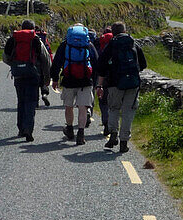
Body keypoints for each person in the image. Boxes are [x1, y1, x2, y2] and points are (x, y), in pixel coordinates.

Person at [95, 20, 147, 154]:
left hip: (114, 84)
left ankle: (113, 134)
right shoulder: (133, 43)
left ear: (113, 32)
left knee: (113, 109)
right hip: (133, 84)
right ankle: (124, 142)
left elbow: (101, 66)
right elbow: (143, 64)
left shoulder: (111, 45)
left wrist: (99, 85)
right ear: (125, 30)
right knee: (128, 112)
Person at [1, 18, 51, 142]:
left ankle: (21, 129)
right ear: (33, 29)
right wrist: (46, 79)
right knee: (31, 102)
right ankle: (29, 129)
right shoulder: (36, 40)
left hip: (18, 76)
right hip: (33, 75)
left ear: (22, 27)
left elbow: (5, 58)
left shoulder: (13, 39)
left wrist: (15, 65)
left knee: (21, 101)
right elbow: (46, 60)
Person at [50, 22, 99, 145]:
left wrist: (55, 79)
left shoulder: (65, 45)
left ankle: (70, 129)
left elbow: (56, 63)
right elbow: (96, 63)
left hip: (68, 80)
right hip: (85, 81)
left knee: (69, 106)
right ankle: (81, 134)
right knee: (83, 108)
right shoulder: (88, 44)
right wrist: (95, 81)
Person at [95, 25, 114, 136]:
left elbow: (97, 60)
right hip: (116, 77)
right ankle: (113, 127)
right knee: (115, 104)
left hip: (102, 75)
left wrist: (98, 84)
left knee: (103, 101)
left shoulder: (99, 43)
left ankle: (106, 123)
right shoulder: (116, 44)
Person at [35, 25, 53, 106]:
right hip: (43, 65)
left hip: (32, 65)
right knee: (43, 82)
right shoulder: (43, 39)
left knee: (34, 84)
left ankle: (36, 103)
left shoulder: (29, 39)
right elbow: (49, 54)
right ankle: (44, 94)